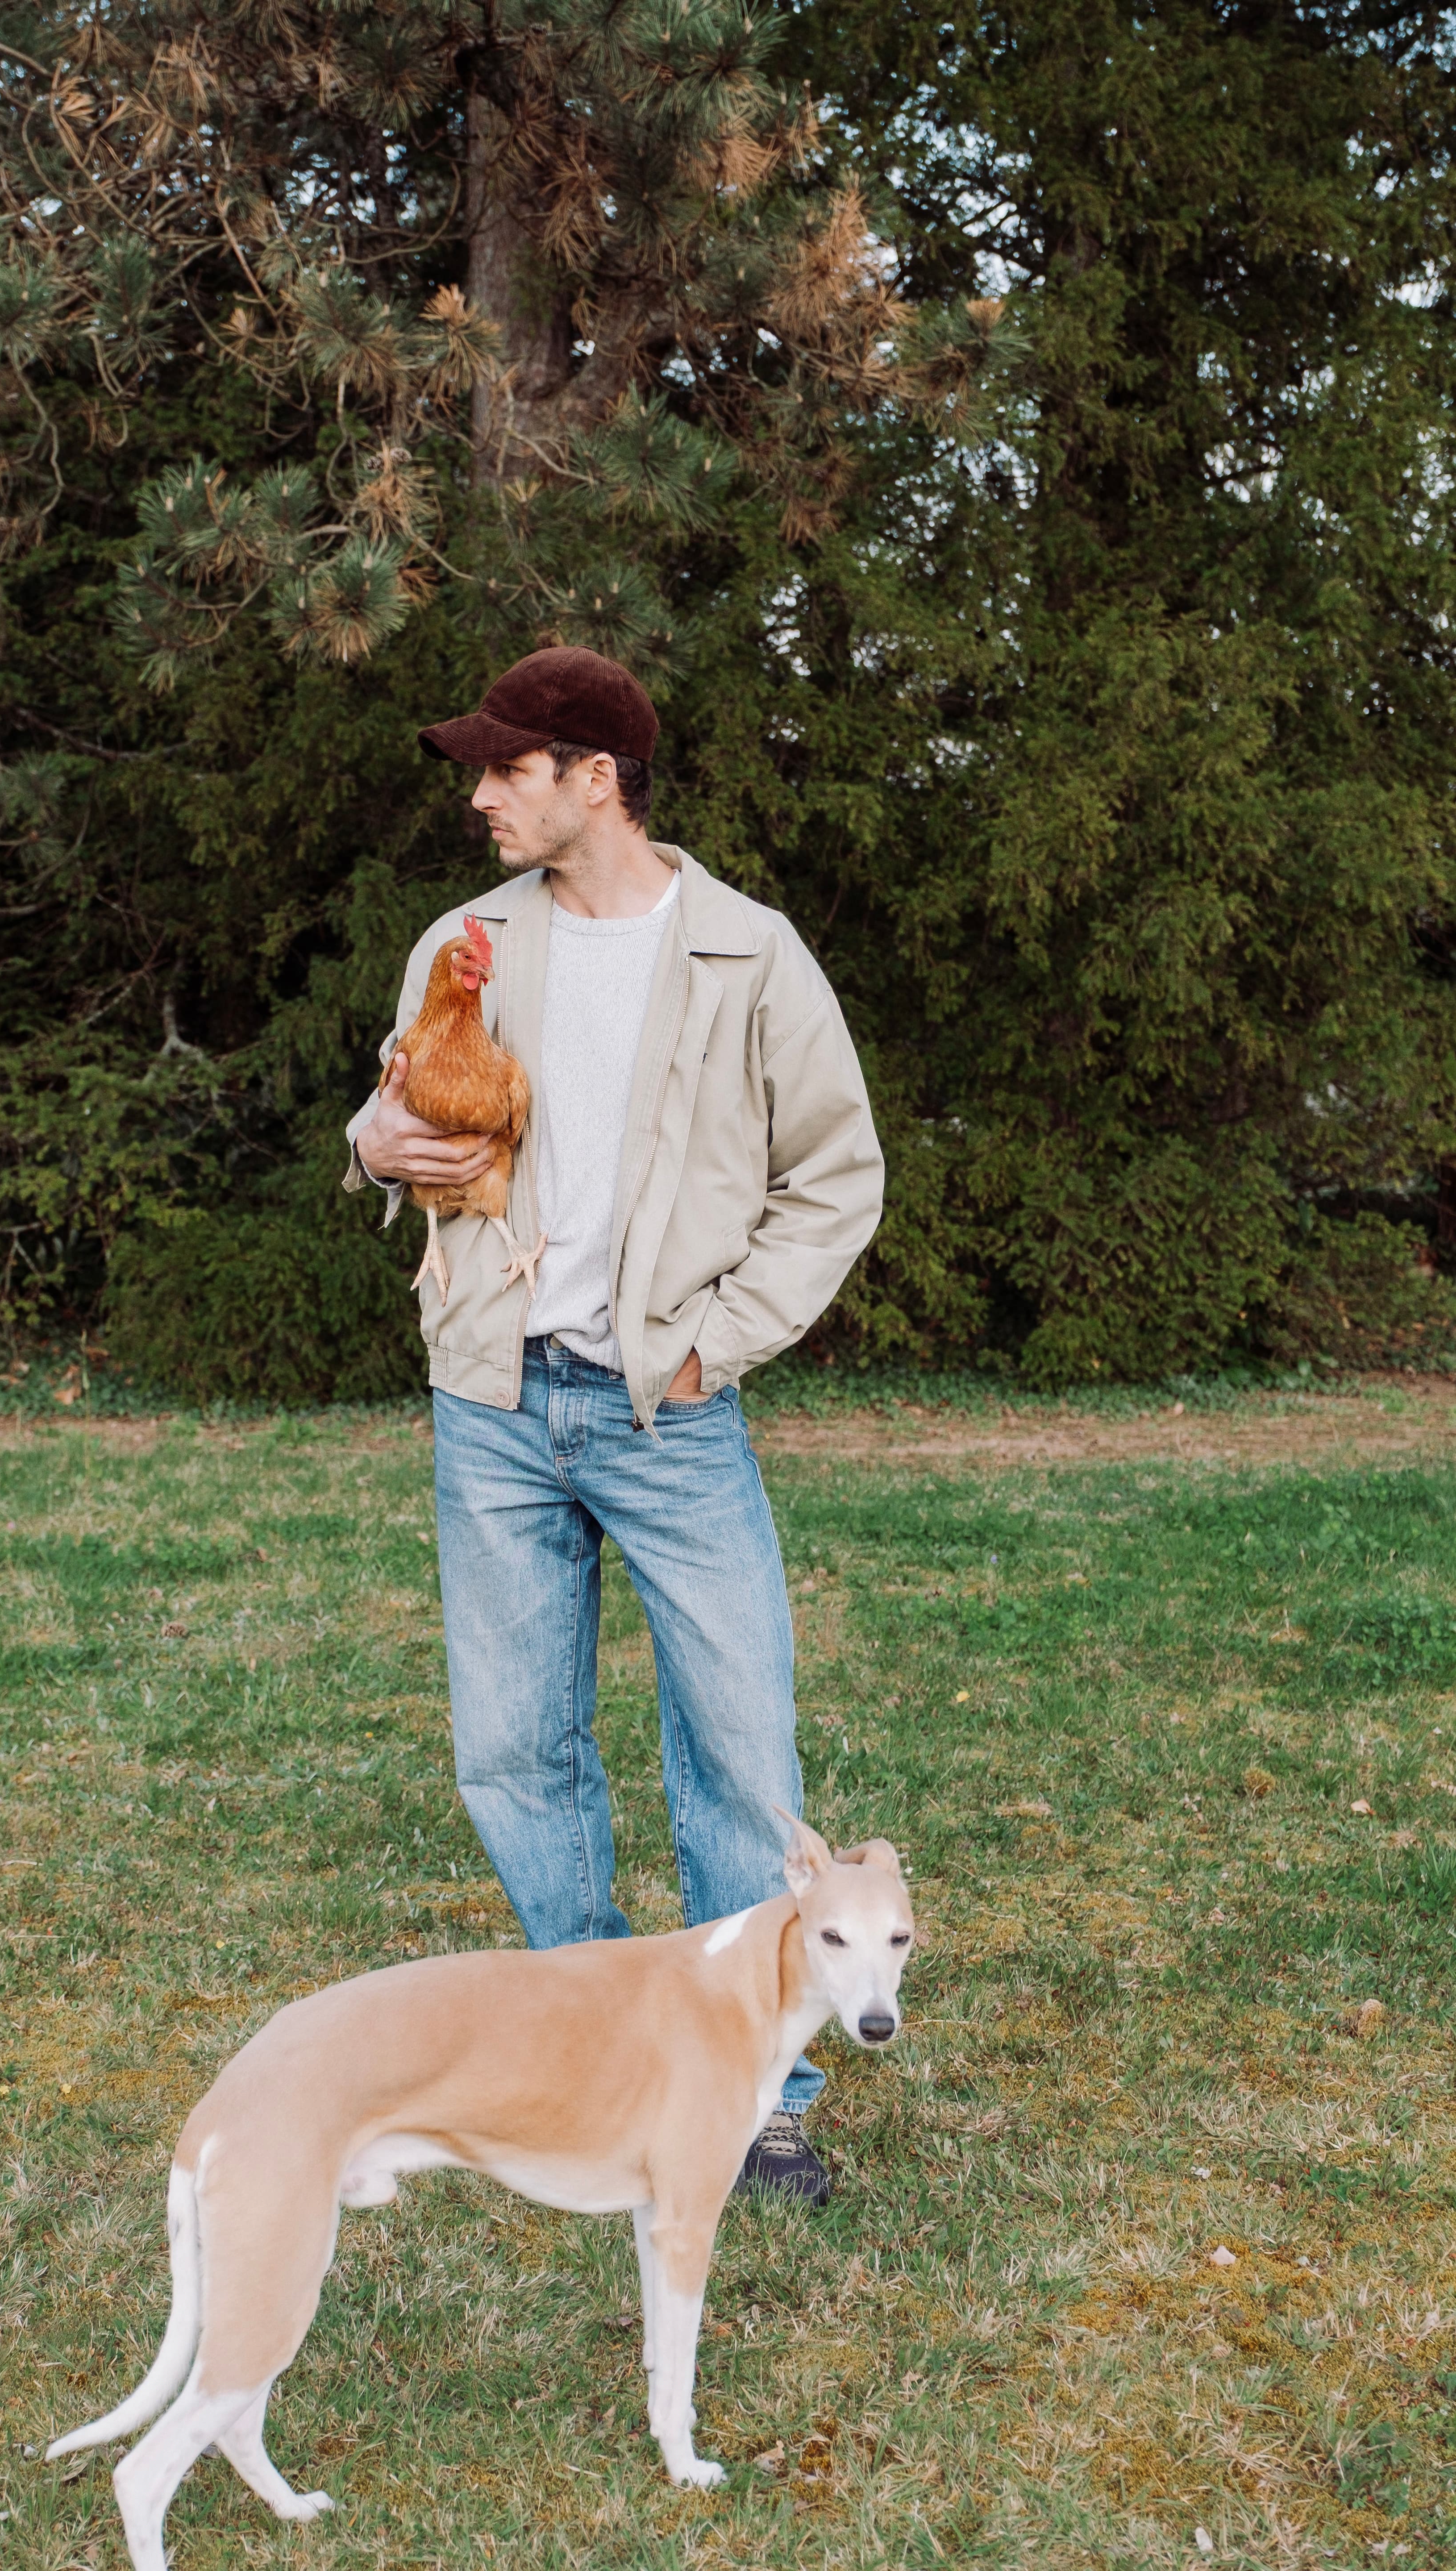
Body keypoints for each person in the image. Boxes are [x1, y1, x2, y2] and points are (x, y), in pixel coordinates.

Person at [344, 646, 884, 2202]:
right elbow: (393, 1116)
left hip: (668, 1412)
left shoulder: (750, 956)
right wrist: (382, 1147)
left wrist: (718, 1346)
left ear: (598, 781)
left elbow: (835, 1178)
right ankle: (598, 2054)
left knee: (736, 1748)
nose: (479, 793)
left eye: (507, 770)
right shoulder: (466, 943)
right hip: (497, 1405)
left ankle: (756, 2090)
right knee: (513, 1745)